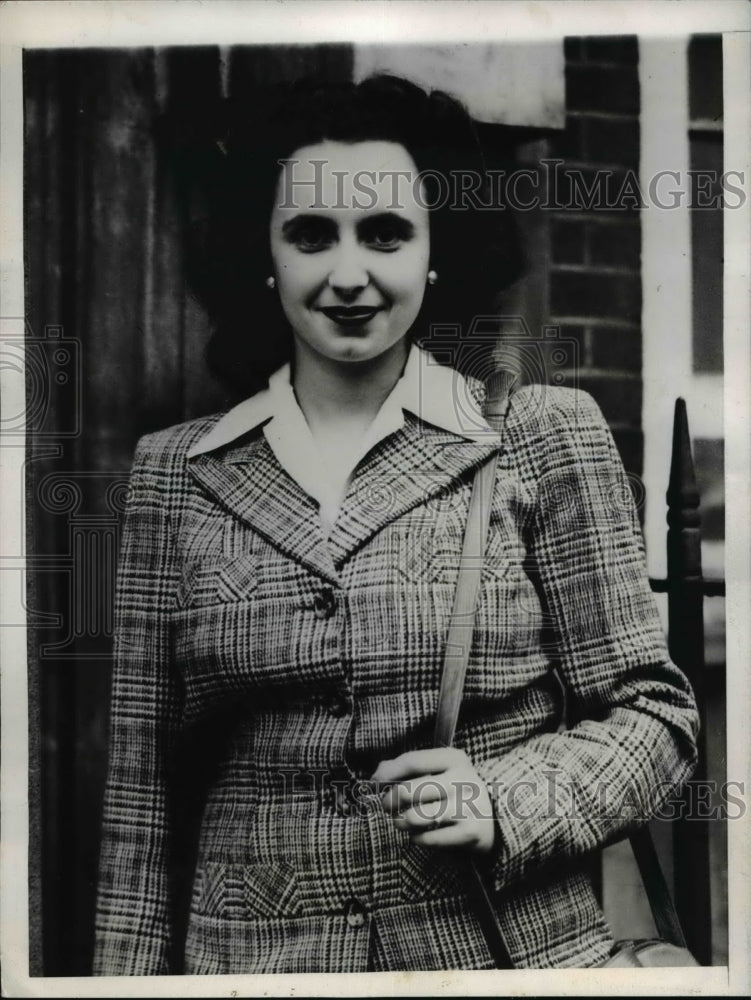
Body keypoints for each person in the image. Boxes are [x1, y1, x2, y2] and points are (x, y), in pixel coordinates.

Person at [93, 74, 699, 975]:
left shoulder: (543, 436)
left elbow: (656, 718)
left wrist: (504, 799)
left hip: (500, 961)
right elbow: (140, 804)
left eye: (385, 233)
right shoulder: (174, 474)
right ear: (264, 254)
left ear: (435, 250)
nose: (349, 275)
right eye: (310, 234)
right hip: (255, 972)